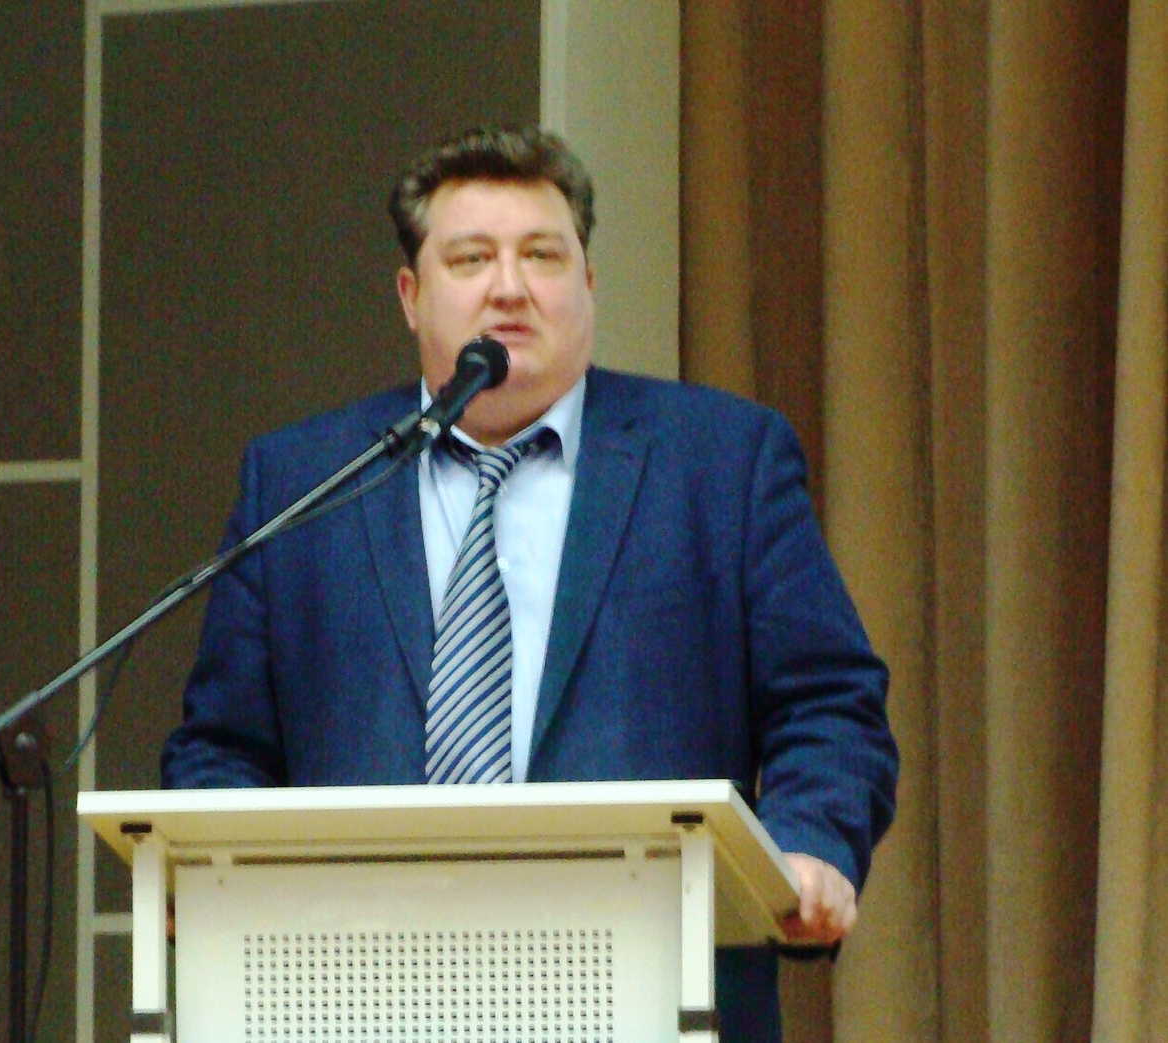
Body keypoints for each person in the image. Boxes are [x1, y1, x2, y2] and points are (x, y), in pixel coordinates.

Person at [161, 126, 898, 1040]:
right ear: (410, 295)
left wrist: (808, 843)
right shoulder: (302, 483)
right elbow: (223, 746)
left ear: (587, 282)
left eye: (542, 256)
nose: (508, 286)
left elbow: (828, 701)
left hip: (651, 994)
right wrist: (202, 871)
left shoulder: (720, 460)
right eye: (471, 258)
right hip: (361, 995)